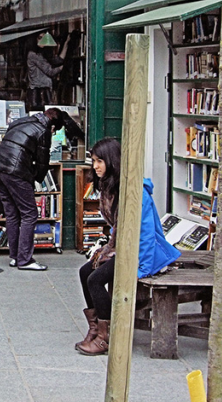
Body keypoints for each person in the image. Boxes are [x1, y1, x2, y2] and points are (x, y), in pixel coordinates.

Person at [75, 137, 181, 356]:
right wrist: (106, 249)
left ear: (112, 161)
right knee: (85, 271)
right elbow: (119, 226)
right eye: (93, 161)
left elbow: (146, 233)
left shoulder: (135, 192)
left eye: (100, 161)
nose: (95, 166)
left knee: (95, 279)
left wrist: (140, 269)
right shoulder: (109, 187)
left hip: (140, 253)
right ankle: (95, 329)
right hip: (122, 247)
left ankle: (106, 337)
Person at [0, 107, 69, 270]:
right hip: (15, 172)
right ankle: (25, 260)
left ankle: (15, 256)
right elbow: (42, 162)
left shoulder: (22, 120)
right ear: (53, 125)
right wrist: (37, 179)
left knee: (11, 213)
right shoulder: (43, 131)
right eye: (54, 131)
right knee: (29, 213)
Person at [26, 40, 66, 109]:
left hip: (43, 89)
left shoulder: (42, 54)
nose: (42, 41)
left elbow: (57, 61)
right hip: (38, 90)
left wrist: (66, 43)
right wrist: (61, 67)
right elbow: (50, 71)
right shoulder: (34, 55)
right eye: (40, 38)